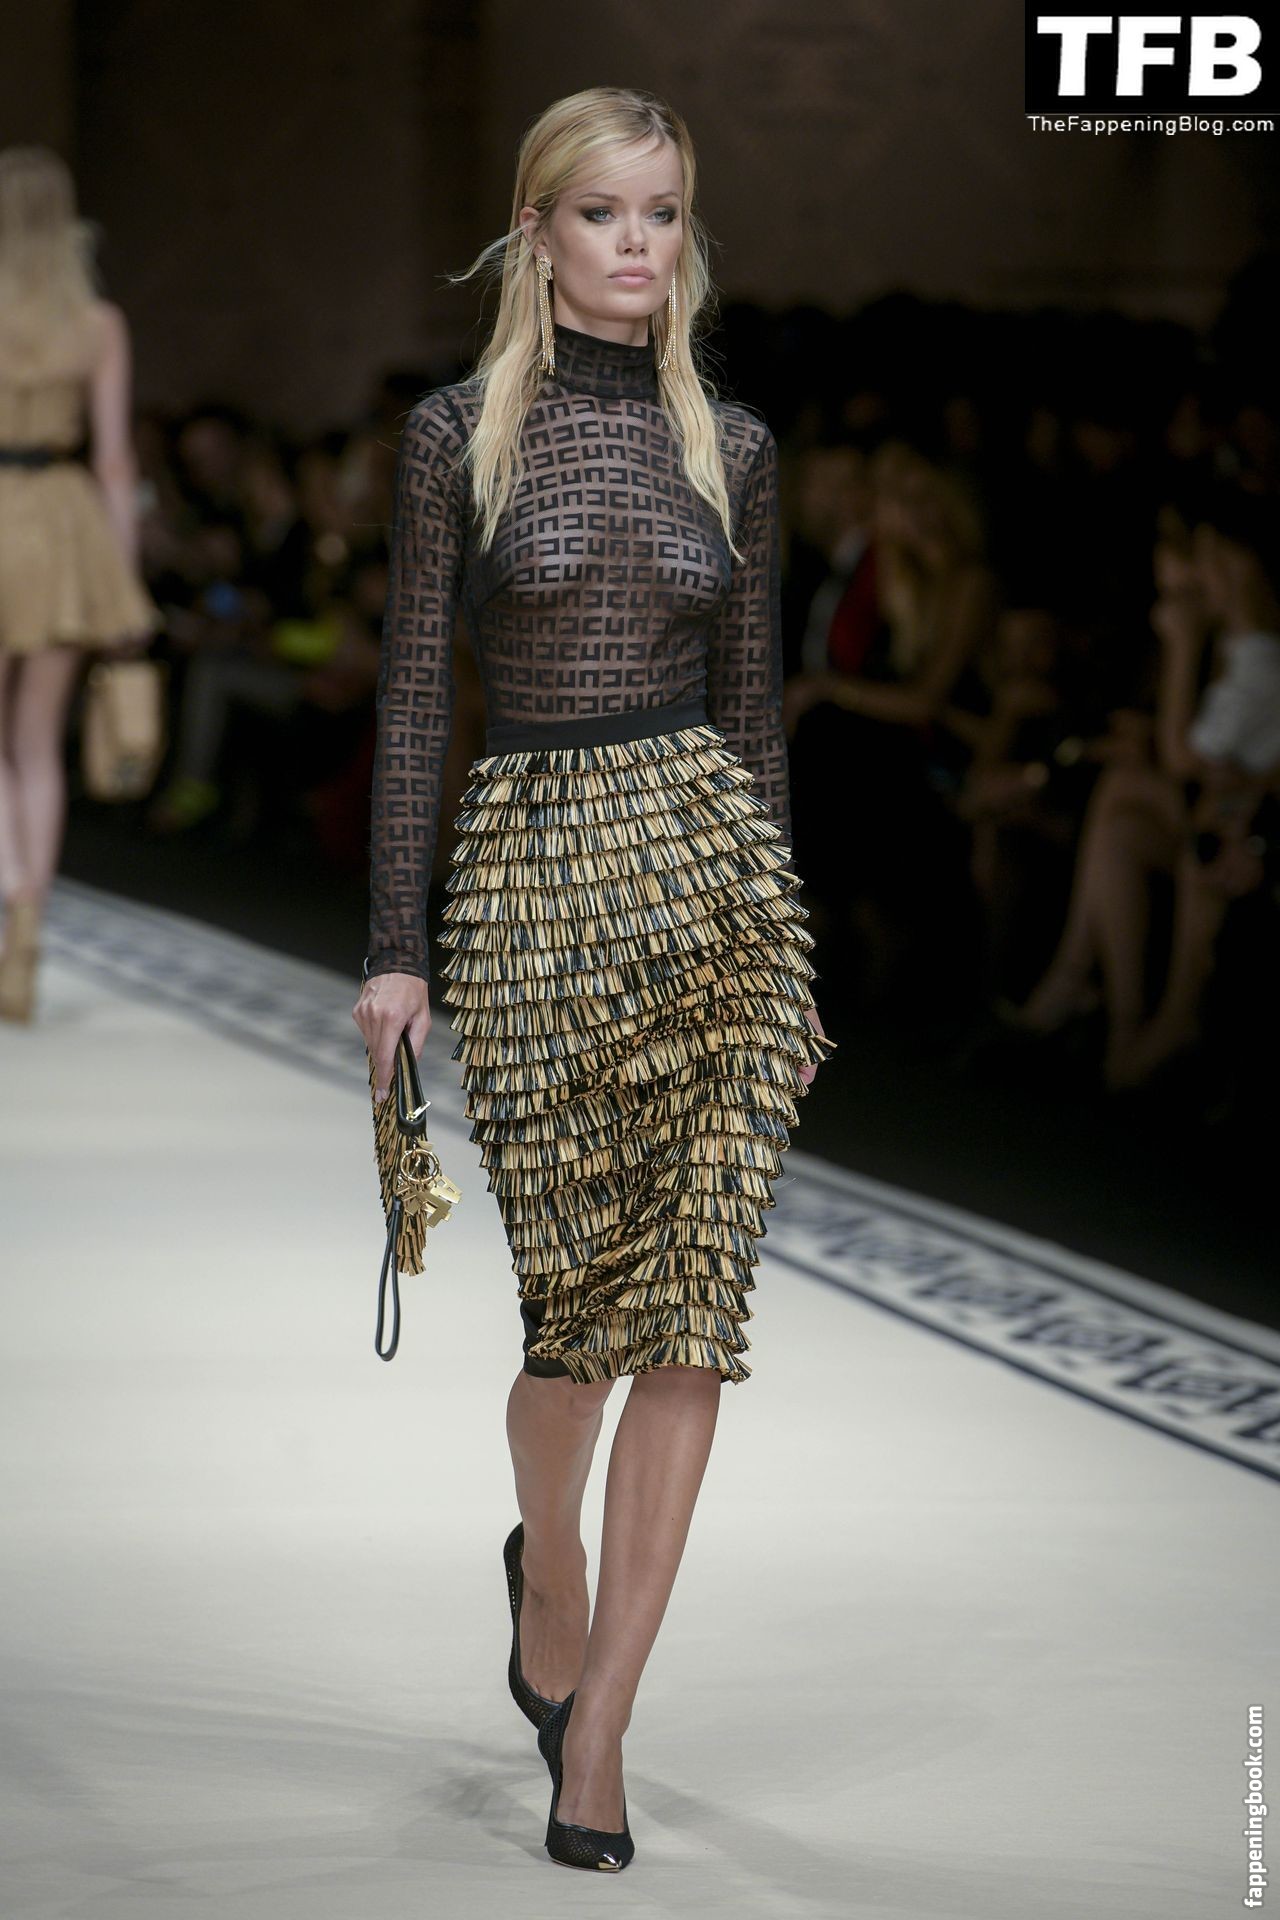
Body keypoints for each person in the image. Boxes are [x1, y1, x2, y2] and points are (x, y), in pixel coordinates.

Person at [351, 86, 836, 1874]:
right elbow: (417, 695)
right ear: (538, 231)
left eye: (664, 214)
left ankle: (605, 1729)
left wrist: (791, 957)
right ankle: (544, 1562)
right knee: (574, 1337)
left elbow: (755, 719)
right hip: (533, 892)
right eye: (604, 213)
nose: (638, 244)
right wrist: (394, 951)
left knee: (693, 1315)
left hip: (715, 896)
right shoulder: (457, 436)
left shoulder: (737, 446)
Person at [0, 146, 162, 1020]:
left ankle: (9, 896)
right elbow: (114, 460)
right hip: (63, 526)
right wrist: (124, 579)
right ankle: (29, 918)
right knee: (36, 744)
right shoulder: (97, 322)